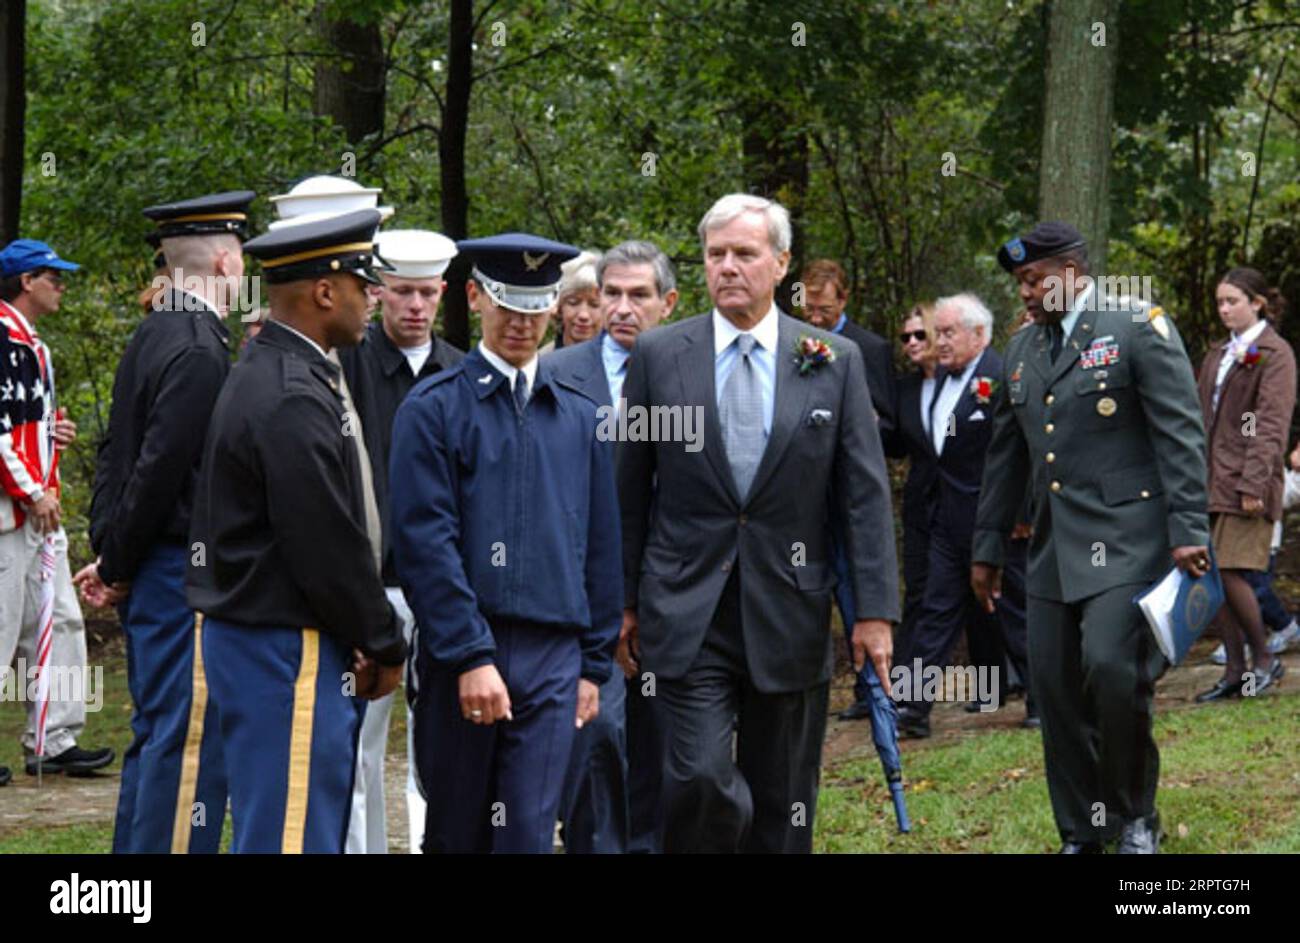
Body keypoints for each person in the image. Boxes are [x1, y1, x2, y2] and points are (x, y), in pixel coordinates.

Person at [617, 193, 898, 853]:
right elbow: (627, 488)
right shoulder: (660, 355)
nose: (728, 267)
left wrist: (876, 612)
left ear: (781, 263)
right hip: (687, 607)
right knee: (699, 777)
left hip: (789, 605)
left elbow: (863, 494)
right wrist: (622, 600)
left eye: (744, 253)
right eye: (716, 254)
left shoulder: (833, 360)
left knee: (785, 797)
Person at [973, 222, 1210, 854]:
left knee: (1111, 670)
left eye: (1035, 280)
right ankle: (1084, 828)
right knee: (1052, 688)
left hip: (1130, 539)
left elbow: (1180, 432)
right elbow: (1006, 459)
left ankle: (1134, 816)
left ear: (1073, 272)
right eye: (1019, 282)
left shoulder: (1134, 326)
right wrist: (988, 547)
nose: (1024, 293)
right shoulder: (1022, 351)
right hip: (1055, 549)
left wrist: (1190, 529)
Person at [390, 233, 623, 854]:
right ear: (474, 297)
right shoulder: (433, 409)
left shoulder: (577, 416)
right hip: (463, 651)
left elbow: (600, 547)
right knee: (457, 831)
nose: (522, 322)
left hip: (554, 656)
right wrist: (470, 655)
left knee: (525, 831)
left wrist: (593, 665)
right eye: (506, 304)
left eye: (536, 304)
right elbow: (425, 545)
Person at [186, 209, 406, 854]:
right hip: (284, 646)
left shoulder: (283, 371)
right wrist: (382, 640)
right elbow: (325, 542)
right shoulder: (289, 391)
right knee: (291, 834)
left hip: (275, 638)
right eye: (366, 286)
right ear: (325, 292)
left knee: (293, 823)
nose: (375, 300)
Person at [77, 191, 253, 854]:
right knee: (186, 741)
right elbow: (155, 469)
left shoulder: (157, 330)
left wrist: (111, 551)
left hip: (154, 565)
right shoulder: (200, 347)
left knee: (159, 732)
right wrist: (119, 561)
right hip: (180, 571)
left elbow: (114, 455)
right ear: (222, 260)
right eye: (239, 256)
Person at [544, 240, 679, 854]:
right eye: (611, 295)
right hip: (581, 597)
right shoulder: (555, 376)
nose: (622, 309)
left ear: (668, 303)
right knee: (596, 734)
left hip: (673, 590)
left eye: (638, 296)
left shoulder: (694, 371)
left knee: (660, 741)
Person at [338, 228, 464, 854]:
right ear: (379, 292)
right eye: (401, 292)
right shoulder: (347, 367)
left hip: (443, 584)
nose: (414, 306)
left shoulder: (463, 373)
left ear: (442, 293)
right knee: (358, 740)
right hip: (370, 585)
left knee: (438, 741)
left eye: (425, 293)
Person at [0, 238, 114, 790]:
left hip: (41, 506)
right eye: (54, 277)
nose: (62, 285)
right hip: (14, 508)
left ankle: (54, 738)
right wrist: (28, 491)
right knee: (1, 625)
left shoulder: (33, 346)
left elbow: (21, 428)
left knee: (61, 620)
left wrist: (54, 437)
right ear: (26, 281)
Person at [893, 293, 1033, 738]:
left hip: (996, 520)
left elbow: (1023, 450)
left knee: (1015, 611)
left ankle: (1043, 699)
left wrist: (1021, 510)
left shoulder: (1001, 375)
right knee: (935, 610)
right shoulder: (935, 383)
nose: (941, 341)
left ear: (979, 334)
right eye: (938, 332)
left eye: (949, 332)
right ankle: (912, 708)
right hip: (947, 522)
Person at [796, 259, 899, 723]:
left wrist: (863, 423)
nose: (814, 317)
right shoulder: (794, 345)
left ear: (843, 299)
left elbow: (894, 423)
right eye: (808, 307)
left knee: (859, 594)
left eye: (823, 308)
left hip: (851, 496)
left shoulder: (868, 347)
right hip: (806, 499)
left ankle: (875, 690)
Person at [1193, 267, 1294, 702]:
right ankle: (1235, 670)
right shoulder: (1218, 353)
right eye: (1219, 302)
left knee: (1232, 569)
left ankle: (1264, 658)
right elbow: (1200, 414)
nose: (1224, 310)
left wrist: (1254, 480)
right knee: (1213, 574)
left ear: (1257, 303)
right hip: (1210, 478)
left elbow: (1267, 424)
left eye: (1232, 301)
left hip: (1247, 481)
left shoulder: (1275, 353)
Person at [880, 304, 938, 678]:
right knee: (920, 591)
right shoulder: (904, 389)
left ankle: (1008, 680)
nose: (912, 343)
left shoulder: (971, 381)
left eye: (920, 335)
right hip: (922, 501)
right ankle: (906, 686)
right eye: (906, 337)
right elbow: (898, 443)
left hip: (970, 499)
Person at [542, 250, 604, 352]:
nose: (583, 315)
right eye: (573, 303)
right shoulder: (540, 363)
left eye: (594, 305)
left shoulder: (628, 363)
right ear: (559, 307)